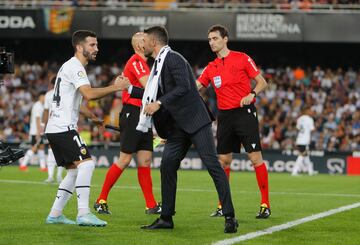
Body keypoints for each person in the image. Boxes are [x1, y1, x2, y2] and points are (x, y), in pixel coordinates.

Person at [127, 26, 238, 233]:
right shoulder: (158, 65)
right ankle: (166, 218)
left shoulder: (173, 58)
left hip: (195, 120)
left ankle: (230, 216)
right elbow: (154, 92)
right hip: (177, 126)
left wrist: (159, 103)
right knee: (167, 165)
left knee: (212, 164)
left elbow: (185, 87)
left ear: (154, 42)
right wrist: (129, 89)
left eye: (144, 40)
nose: (142, 45)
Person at [44, 30, 129, 226]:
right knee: (87, 164)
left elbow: (75, 101)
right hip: (63, 127)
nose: (96, 49)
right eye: (92, 45)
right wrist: (117, 87)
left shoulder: (68, 66)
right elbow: (89, 95)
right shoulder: (76, 67)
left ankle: (55, 215)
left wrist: (93, 117)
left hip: (55, 128)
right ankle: (83, 213)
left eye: (96, 45)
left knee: (74, 171)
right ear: (79, 47)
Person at [196, 25, 270, 219]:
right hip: (225, 116)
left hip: (244, 113)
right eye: (209, 39)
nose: (211, 42)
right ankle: (223, 205)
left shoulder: (242, 58)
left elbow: (262, 82)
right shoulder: (211, 67)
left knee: (255, 159)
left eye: (215, 38)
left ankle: (265, 204)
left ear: (225, 39)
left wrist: (252, 94)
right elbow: (196, 86)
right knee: (224, 161)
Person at [94, 32, 161, 215]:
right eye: (147, 41)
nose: (150, 43)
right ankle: (101, 200)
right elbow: (149, 87)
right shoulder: (137, 62)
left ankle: (151, 205)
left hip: (143, 114)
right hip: (133, 113)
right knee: (125, 159)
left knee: (145, 160)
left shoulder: (142, 63)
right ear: (140, 45)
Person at [19, 92, 47, 172]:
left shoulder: (40, 105)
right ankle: (23, 165)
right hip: (36, 131)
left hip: (37, 131)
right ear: (41, 97)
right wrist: (39, 132)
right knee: (34, 148)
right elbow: (38, 119)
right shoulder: (38, 106)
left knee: (41, 148)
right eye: (44, 96)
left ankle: (43, 167)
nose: (45, 98)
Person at [43, 77, 64, 183]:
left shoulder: (48, 94)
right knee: (62, 152)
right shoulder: (66, 92)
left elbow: (46, 112)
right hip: (64, 126)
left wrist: (44, 127)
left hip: (52, 126)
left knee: (52, 152)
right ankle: (58, 176)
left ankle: (51, 176)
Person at [291, 106, 315, 176]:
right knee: (302, 155)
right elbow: (312, 129)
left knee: (306, 155)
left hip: (299, 139)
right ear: (306, 111)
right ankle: (294, 171)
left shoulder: (299, 119)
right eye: (310, 111)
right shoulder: (309, 119)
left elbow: (298, 128)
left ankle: (310, 171)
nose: (311, 112)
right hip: (305, 140)